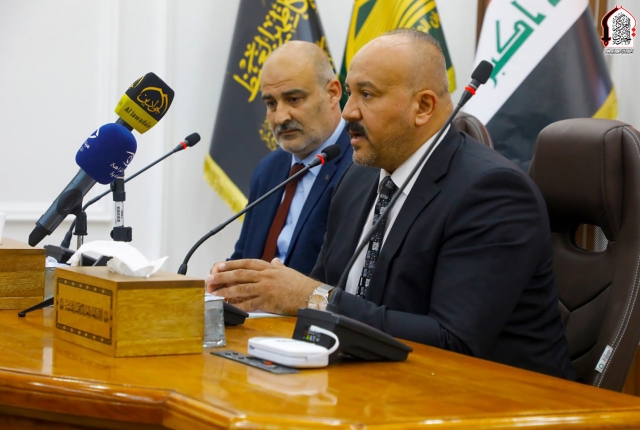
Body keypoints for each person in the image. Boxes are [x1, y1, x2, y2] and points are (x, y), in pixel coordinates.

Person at [207, 30, 575, 379]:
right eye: (350, 93)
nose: (348, 112)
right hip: (373, 385)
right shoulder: (358, 178)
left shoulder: (492, 192)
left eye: (366, 95)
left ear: (423, 107)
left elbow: (453, 341)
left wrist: (308, 297)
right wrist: (265, 295)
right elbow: (324, 289)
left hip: (497, 400)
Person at [229, 41, 352, 276]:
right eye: (271, 103)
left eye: (294, 99)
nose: (280, 117)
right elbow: (245, 255)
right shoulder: (269, 169)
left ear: (333, 93)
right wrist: (226, 274)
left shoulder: (362, 167)